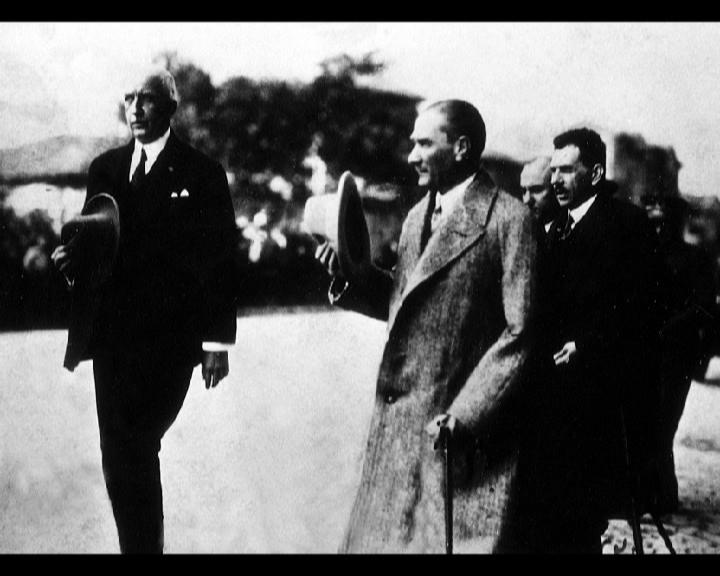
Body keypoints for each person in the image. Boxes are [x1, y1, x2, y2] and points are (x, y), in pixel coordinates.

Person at [316, 99, 539, 553]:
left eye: (423, 144)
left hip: (458, 434)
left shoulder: (509, 220)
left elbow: (521, 331)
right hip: (399, 429)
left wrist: (467, 413)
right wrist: (350, 275)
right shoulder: (417, 217)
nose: (411, 156)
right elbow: (406, 303)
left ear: (460, 148)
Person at [51, 67, 237, 553]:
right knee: (118, 455)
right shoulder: (105, 170)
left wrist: (216, 342)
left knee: (135, 444)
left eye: (148, 98)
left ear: (170, 107)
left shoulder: (201, 173)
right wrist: (72, 263)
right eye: (129, 97)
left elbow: (220, 260)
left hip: (170, 342)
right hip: (112, 340)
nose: (135, 108)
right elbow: (95, 247)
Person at [527, 127, 661, 553]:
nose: (556, 180)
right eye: (554, 171)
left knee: (581, 513)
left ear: (597, 173)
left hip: (600, 394)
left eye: (567, 170)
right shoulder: (553, 228)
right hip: (552, 391)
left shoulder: (626, 225)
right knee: (549, 510)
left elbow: (645, 307)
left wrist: (587, 344)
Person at [642, 192, 717, 512]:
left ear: (677, 223)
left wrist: (669, 327)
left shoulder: (696, 258)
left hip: (677, 355)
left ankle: (664, 494)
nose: (659, 229)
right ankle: (649, 493)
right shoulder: (642, 256)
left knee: (665, 423)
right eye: (653, 223)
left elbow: (704, 307)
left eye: (664, 223)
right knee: (646, 422)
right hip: (645, 352)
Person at [520, 155, 560, 234]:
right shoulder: (528, 227)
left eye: (536, 190)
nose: (526, 200)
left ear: (555, 189)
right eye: (524, 191)